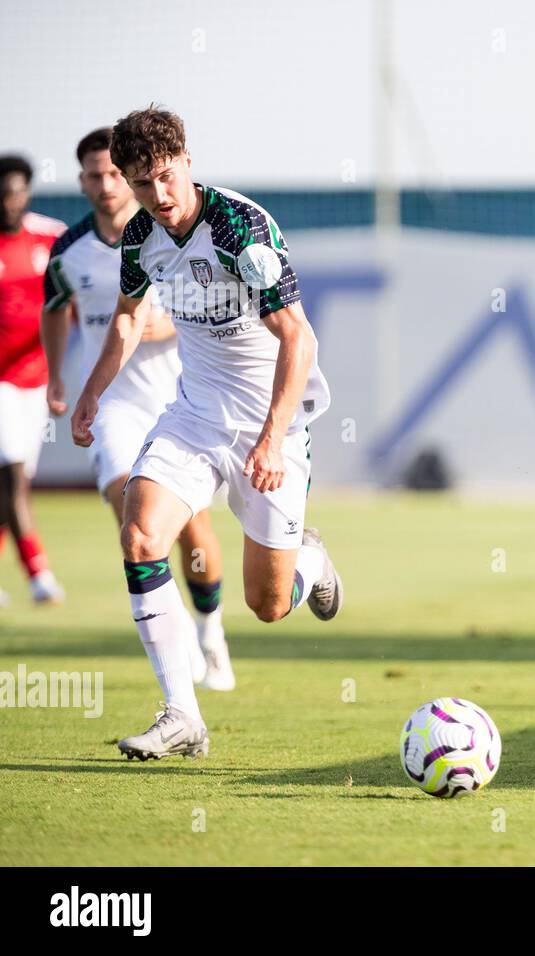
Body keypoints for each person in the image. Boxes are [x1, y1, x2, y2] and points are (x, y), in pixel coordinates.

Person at [70, 105, 343, 760]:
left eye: (165, 175)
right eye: (141, 182)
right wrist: (89, 396)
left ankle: (313, 559)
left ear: (187, 161)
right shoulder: (140, 238)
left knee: (268, 604)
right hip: (193, 414)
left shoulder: (241, 230)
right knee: (140, 535)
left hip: (268, 423)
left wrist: (273, 438)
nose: (157, 196)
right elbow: (129, 322)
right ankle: (182, 715)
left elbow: (298, 338)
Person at [42, 127, 234, 690]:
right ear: (83, 181)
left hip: (179, 398)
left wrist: (165, 324)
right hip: (116, 408)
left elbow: (214, 307)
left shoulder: (171, 234)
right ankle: (178, 669)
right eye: (94, 175)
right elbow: (55, 309)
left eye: (112, 174)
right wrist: (60, 376)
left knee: (193, 532)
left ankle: (212, 632)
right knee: (137, 525)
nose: (105, 185)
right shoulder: (69, 250)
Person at [0, 153, 66, 606]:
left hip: (37, 382)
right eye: (4, 192)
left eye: (18, 190)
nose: (11, 200)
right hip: (0, 383)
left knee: (9, 484)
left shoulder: (51, 236)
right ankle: (39, 574)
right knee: (14, 477)